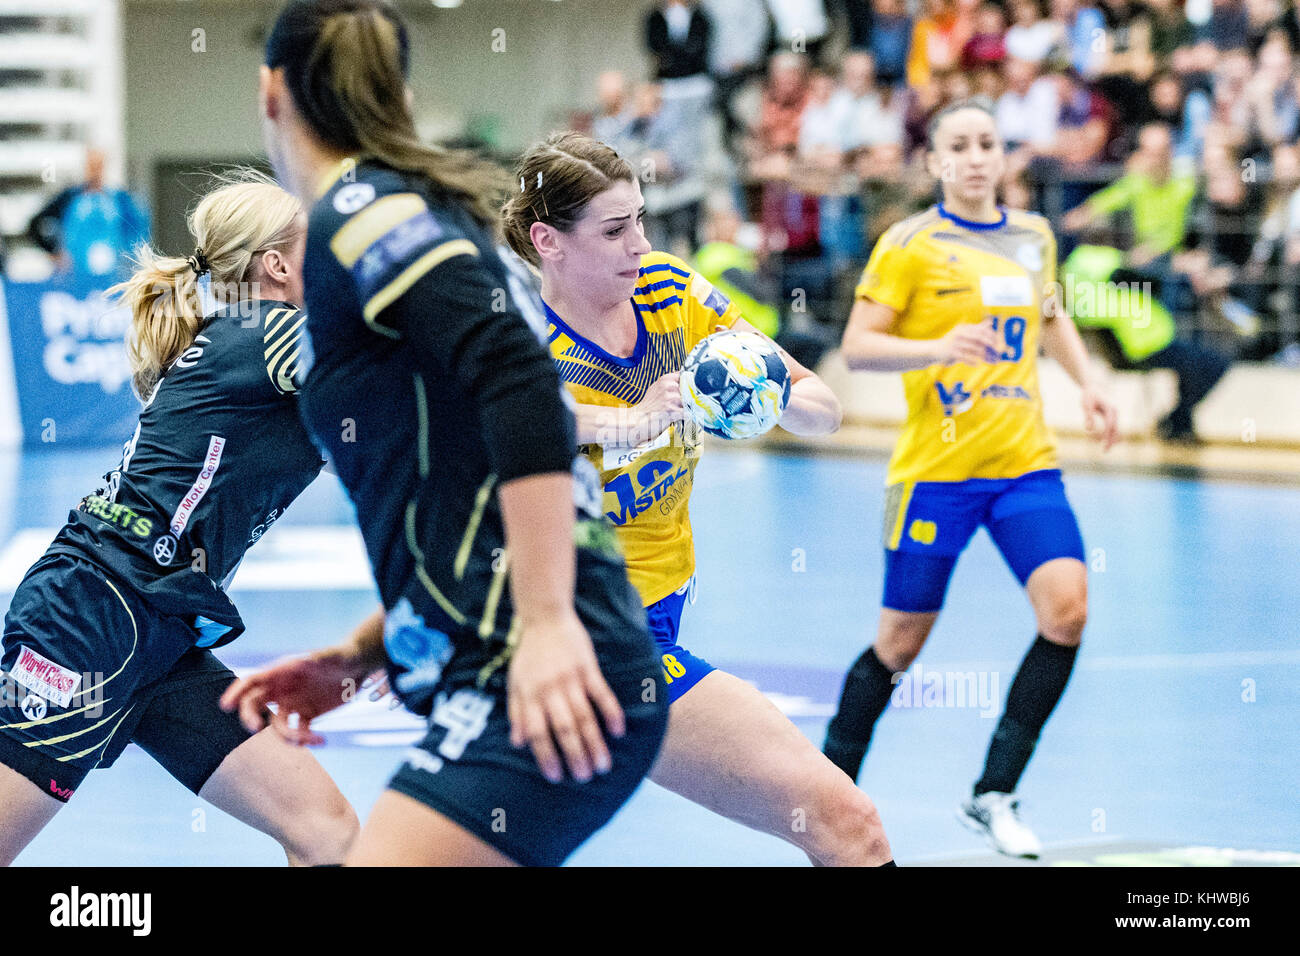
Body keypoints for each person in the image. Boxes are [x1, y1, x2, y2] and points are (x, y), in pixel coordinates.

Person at [225, 0, 668, 867]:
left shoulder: (365, 215)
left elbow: (521, 384)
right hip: (497, 657)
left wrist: (545, 621)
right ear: (401, 91)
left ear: (271, 93)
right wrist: (364, 654)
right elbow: (452, 463)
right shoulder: (401, 216)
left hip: (544, 669)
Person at [503, 131, 895, 867]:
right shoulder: (518, 339)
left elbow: (820, 403)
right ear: (547, 241)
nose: (639, 244)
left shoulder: (673, 293)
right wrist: (635, 421)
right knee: (848, 822)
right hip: (583, 633)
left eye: (642, 220)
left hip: (654, 605)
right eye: (615, 230)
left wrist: (766, 396)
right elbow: (515, 425)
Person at [0, 171, 360, 865]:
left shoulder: (252, 335)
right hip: (89, 616)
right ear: (277, 265)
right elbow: (395, 386)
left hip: (159, 625)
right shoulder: (270, 330)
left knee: (327, 832)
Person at [822, 99, 1119, 858]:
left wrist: (1088, 383)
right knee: (899, 644)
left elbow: (1050, 315)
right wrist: (936, 346)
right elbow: (857, 348)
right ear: (936, 161)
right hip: (936, 473)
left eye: (989, 141)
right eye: (960, 144)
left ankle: (994, 792)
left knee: (1069, 611)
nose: (978, 155)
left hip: (1024, 463)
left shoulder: (1033, 237)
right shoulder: (909, 244)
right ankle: (823, 792)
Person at [26, 148, 151, 284]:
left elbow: (139, 231)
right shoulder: (70, 196)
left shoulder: (119, 199)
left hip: (112, 276)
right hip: (74, 275)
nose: (95, 171)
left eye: (98, 166)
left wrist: (130, 261)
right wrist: (54, 253)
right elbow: (35, 224)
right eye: (92, 166)